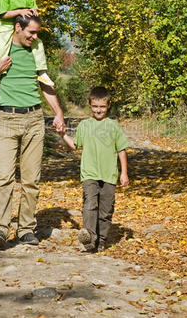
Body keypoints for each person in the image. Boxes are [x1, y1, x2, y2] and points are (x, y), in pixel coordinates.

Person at [0, 14, 65, 249]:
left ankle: (26, 230)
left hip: (33, 118)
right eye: (31, 32)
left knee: (32, 179)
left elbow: (45, 83)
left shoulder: (36, 50)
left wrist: (58, 113)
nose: (35, 36)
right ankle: (0, 228)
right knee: (4, 177)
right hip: (7, 117)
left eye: (37, 33)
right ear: (18, 27)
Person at [58, 87, 129, 252]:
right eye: (95, 106)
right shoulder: (85, 125)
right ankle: (90, 238)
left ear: (108, 105)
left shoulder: (113, 126)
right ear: (90, 105)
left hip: (109, 174)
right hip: (89, 173)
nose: (99, 110)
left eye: (102, 107)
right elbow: (74, 146)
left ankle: (102, 240)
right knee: (89, 204)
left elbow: (122, 150)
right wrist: (62, 135)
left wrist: (123, 172)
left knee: (106, 210)